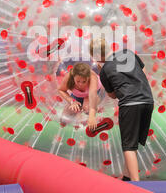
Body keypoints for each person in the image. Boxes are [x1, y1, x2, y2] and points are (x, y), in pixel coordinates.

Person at [90, 38, 154, 182]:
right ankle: (126, 176)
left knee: (128, 147)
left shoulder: (105, 70)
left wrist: (104, 72)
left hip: (130, 104)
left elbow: (112, 95)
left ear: (96, 56)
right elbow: (143, 72)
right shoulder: (129, 53)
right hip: (148, 100)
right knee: (134, 142)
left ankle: (137, 187)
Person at [58, 62, 100, 130]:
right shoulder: (69, 77)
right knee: (65, 115)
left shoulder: (93, 77)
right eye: (78, 81)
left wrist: (92, 116)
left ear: (88, 78)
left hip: (91, 93)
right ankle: (78, 112)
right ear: (73, 77)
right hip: (77, 94)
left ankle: (85, 111)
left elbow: (93, 96)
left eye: (84, 81)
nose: (81, 84)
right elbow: (61, 90)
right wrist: (72, 101)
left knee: (87, 108)